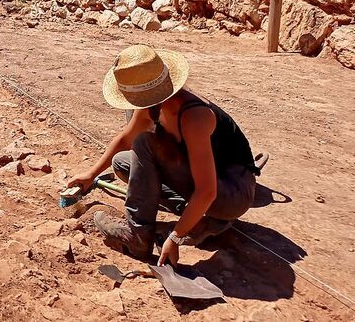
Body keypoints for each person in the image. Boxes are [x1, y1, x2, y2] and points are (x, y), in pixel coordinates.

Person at [67, 45, 259, 266]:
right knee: (122, 162)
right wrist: (91, 174)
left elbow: (207, 191)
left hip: (232, 193)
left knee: (145, 144)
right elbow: (124, 140)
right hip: (211, 185)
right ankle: (202, 222)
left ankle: (138, 236)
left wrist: (175, 238)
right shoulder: (156, 104)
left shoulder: (193, 117)